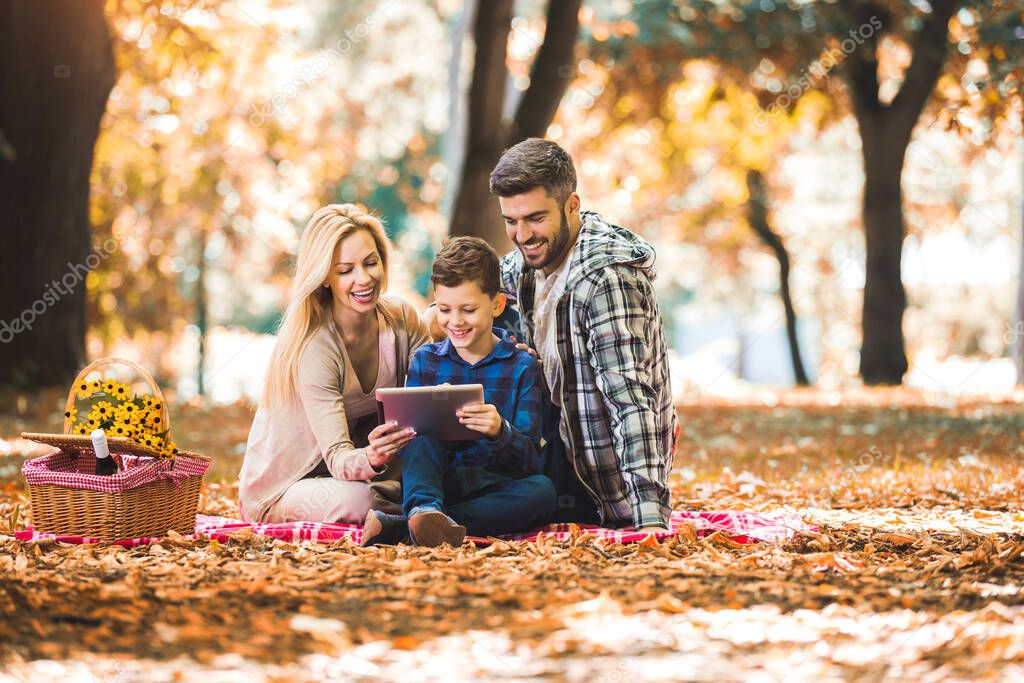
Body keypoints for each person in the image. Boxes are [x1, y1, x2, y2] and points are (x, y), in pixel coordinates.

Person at [491, 138, 678, 533]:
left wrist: (650, 521)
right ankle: (413, 503)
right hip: (553, 442)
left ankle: (408, 517)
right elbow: (472, 287)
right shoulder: (529, 264)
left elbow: (630, 401)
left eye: (535, 218)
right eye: (511, 221)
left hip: (596, 476)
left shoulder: (604, 279)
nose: (522, 235)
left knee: (523, 494)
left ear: (572, 205)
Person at [238, 204, 430, 524]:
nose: (364, 278)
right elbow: (339, 457)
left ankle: (417, 507)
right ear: (325, 277)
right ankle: (417, 510)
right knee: (365, 501)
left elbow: (438, 381)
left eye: (371, 263)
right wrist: (373, 456)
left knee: (435, 475)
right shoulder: (316, 347)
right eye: (346, 270)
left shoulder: (403, 319)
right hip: (287, 486)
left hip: (364, 472)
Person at [360, 237, 556, 547]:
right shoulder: (426, 361)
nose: (455, 321)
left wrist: (499, 431)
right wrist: (391, 440)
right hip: (439, 482)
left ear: (497, 304)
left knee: (542, 491)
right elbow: (413, 449)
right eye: (445, 309)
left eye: (468, 309)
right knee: (420, 441)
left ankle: (410, 526)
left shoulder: (522, 366)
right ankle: (425, 512)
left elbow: (530, 460)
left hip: (494, 485)